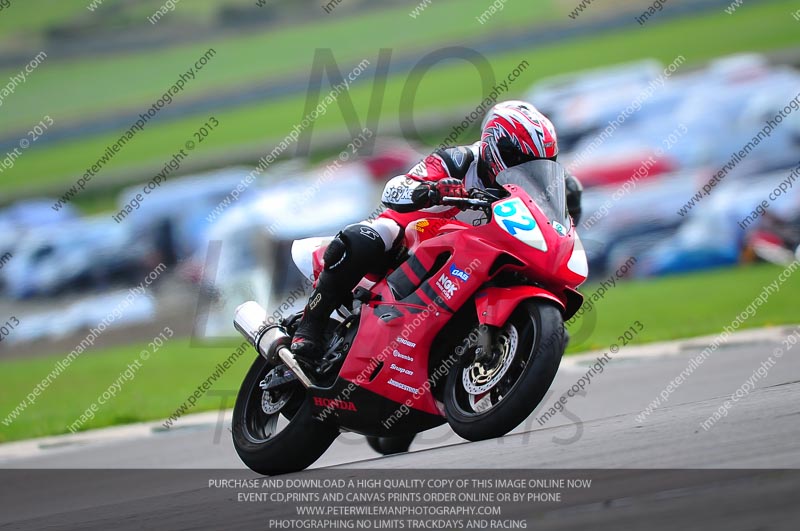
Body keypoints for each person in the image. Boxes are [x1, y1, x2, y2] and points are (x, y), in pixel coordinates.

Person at [290, 100, 583, 365]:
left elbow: (555, 218)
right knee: (372, 235)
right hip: (413, 238)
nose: (526, 167)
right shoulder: (458, 160)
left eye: (539, 163)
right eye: (518, 158)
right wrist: (431, 190)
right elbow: (395, 188)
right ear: (495, 146)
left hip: (474, 255)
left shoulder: (541, 185)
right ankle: (310, 327)